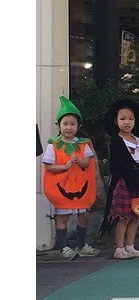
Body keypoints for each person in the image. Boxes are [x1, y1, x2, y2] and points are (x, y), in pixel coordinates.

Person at [42, 96, 100, 260]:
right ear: (59, 125)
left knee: (84, 216)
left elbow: (87, 163)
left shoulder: (83, 144)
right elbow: (48, 166)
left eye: (72, 124)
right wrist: (65, 166)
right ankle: (63, 247)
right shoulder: (53, 145)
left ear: (78, 126)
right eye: (65, 124)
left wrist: (78, 160)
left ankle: (81, 245)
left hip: (81, 186)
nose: (69, 127)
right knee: (63, 217)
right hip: (63, 187)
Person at [100, 98, 139, 260]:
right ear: (116, 121)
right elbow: (117, 164)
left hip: (138, 183)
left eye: (130, 119)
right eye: (122, 119)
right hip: (124, 182)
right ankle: (119, 248)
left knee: (136, 215)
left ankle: (130, 246)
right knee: (123, 216)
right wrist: (130, 173)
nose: (127, 122)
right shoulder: (116, 140)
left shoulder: (138, 141)